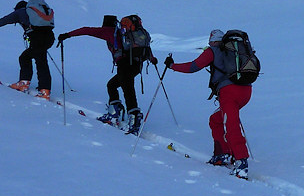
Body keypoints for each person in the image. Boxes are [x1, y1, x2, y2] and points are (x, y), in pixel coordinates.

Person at [164, 29, 253, 179]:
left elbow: (193, 67)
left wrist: (172, 66)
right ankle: (222, 153)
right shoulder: (236, 52)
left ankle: (241, 162)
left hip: (229, 92)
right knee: (216, 120)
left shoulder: (213, 51)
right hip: (246, 90)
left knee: (231, 126)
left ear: (213, 40)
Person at [57, 15, 157, 134]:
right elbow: (146, 48)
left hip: (125, 65)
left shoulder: (109, 31)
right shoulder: (127, 33)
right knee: (112, 85)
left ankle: (134, 119)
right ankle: (115, 112)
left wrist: (67, 35)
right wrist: (152, 59)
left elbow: (86, 30)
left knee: (128, 90)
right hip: (136, 65)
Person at [0, 0, 55, 98]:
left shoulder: (20, 12)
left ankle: (31, 86)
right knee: (35, 59)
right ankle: (42, 88)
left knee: (30, 59)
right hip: (49, 37)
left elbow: (2, 21)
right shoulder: (35, 15)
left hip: (37, 38)